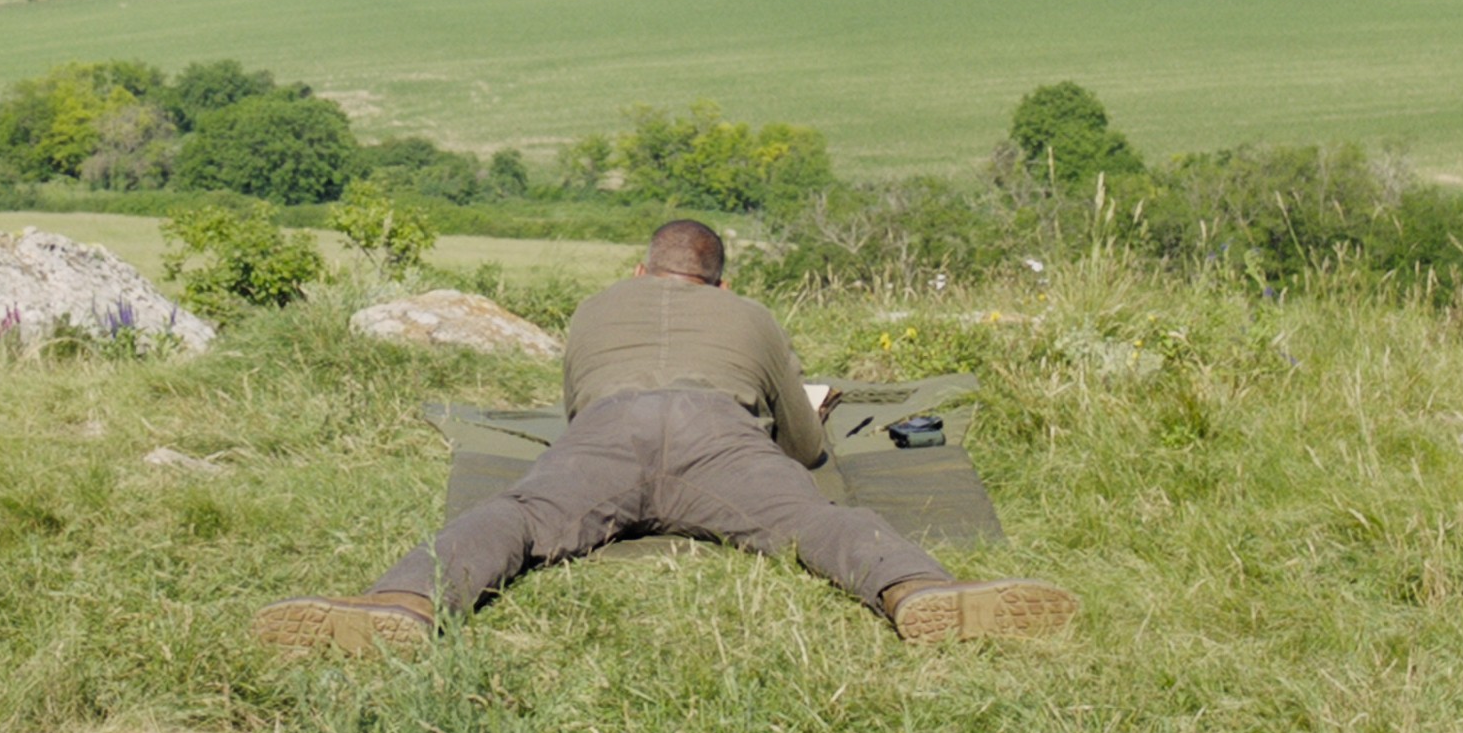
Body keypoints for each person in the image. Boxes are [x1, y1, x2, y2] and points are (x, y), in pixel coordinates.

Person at [255, 217, 1076, 653]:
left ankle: (400, 605)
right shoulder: (749, 315)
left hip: (607, 429)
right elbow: (801, 446)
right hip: (716, 433)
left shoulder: (594, 308)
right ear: (718, 281)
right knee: (818, 522)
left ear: (642, 270)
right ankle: (918, 592)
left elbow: (576, 412)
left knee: (517, 517)